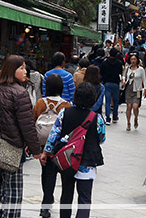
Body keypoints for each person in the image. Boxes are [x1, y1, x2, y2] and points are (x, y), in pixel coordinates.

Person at [0, 55, 42, 218]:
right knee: (12, 189)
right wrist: (36, 149)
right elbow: (27, 125)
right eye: (21, 68)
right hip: (12, 147)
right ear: (11, 70)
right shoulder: (20, 93)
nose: (25, 71)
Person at [40, 82, 105, 218]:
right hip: (87, 161)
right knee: (84, 199)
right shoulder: (96, 118)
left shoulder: (65, 112)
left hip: (68, 159)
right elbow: (102, 138)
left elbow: (54, 134)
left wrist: (46, 152)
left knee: (66, 195)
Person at [33, 74, 71, 218]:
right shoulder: (66, 105)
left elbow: (33, 122)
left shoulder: (40, 103)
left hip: (44, 148)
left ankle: (46, 204)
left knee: (47, 175)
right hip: (60, 148)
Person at [121, 53, 146, 131]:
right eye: (132, 59)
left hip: (137, 90)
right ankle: (128, 123)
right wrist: (124, 80)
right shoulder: (128, 68)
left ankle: (136, 118)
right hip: (129, 89)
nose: (133, 61)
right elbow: (124, 76)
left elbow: (144, 79)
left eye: (134, 59)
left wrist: (145, 89)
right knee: (129, 106)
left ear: (137, 60)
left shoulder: (141, 69)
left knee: (135, 106)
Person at [99, 48, 123, 125]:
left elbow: (101, 73)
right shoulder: (119, 63)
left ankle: (108, 118)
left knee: (108, 102)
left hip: (107, 83)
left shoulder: (105, 63)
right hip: (115, 83)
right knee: (116, 101)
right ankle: (115, 117)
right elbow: (120, 73)